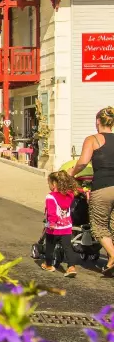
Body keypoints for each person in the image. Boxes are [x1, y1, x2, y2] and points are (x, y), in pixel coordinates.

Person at [69, 106, 114, 275]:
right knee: (113, 226)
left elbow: (82, 162)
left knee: (99, 225)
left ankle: (113, 256)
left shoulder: (93, 139)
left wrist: (71, 173)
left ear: (97, 121)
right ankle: (110, 260)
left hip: (103, 188)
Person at [41, 171, 78, 277]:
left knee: (50, 247)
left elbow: (51, 211)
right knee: (68, 247)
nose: (49, 186)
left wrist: (52, 222)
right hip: (66, 227)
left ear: (54, 184)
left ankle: (48, 264)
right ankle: (71, 267)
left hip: (54, 228)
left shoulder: (50, 197)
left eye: (49, 183)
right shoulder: (69, 195)